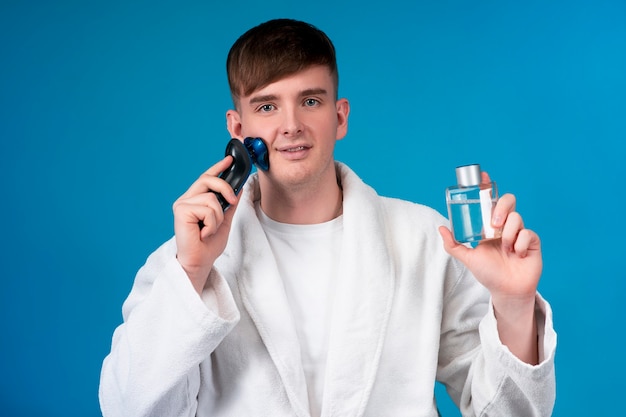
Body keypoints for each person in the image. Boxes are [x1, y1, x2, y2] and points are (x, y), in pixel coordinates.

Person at [99, 18, 556, 417]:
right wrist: (192, 273)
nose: (291, 124)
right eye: (266, 106)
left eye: (311, 101)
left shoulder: (423, 239)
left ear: (340, 118)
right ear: (238, 131)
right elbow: (128, 409)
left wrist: (514, 307)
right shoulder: (188, 259)